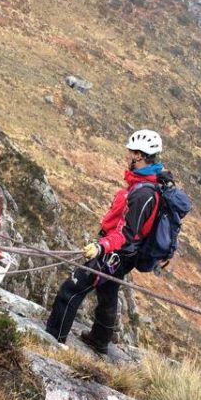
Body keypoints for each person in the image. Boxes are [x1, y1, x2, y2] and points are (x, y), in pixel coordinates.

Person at [45, 129, 165, 354]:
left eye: (130, 152)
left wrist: (102, 247)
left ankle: (52, 339)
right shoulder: (143, 184)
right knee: (108, 291)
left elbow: (127, 233)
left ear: (139, 155)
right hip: (121, 252)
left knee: (71, 289)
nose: (127, 155)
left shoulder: (143, 194)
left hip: (115, 252)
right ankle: (99, 339)